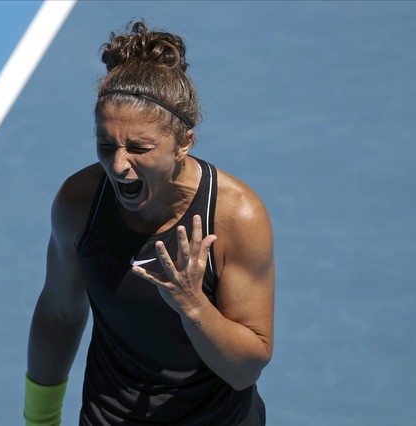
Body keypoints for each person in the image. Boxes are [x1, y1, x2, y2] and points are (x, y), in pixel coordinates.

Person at [24, 20, 275, 426]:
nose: (119, 165)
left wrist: (192, 306)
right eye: (106, 145)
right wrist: (39, 421)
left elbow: (244, 370)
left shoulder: (235, 216)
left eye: (140, 148)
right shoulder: (80, 203)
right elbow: (60, 315)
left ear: (185, 142)